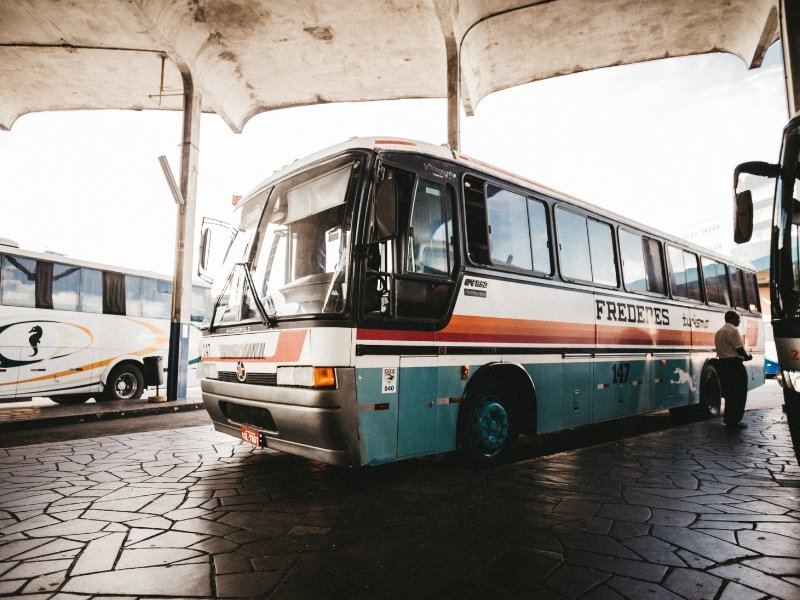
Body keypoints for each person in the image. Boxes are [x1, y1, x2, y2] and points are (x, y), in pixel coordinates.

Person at [714, 310, 753, 428]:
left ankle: (728, 419)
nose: (739, 321)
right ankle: (735, 421)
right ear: (732, 319)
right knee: (739, 394)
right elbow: (739, 349)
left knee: (730, 394)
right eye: (738, 319)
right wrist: (747, 357)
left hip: (723, 364)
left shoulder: (719, 332)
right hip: (735, 366)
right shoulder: (733, 331)